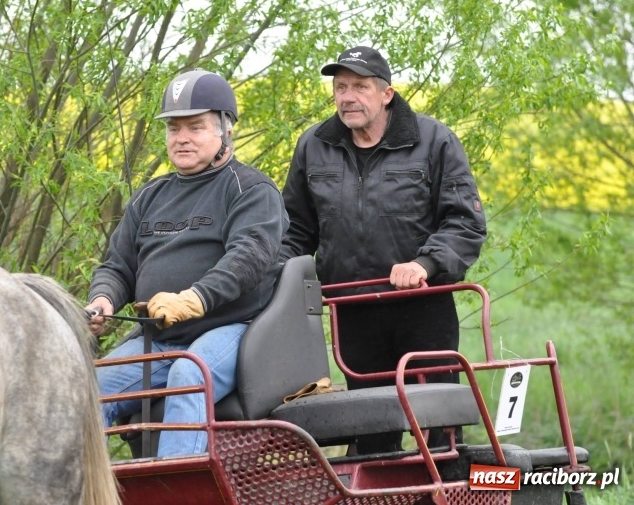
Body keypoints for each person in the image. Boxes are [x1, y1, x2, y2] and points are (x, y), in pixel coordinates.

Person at [280, 45, 487, 454]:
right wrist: (277, 283)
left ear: (386, 94)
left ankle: (446, 485)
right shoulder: (314, 146)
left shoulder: (434, 141)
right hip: (351, 310)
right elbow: (295, 231)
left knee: (439, 432)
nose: (348, 97)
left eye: (360, 87)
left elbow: (465, 223)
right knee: (370, 437)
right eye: (340, 87)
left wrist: (425, 264)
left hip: (423, 308)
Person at [87, 69, 288, 458]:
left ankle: (180, 484)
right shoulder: (150, 195)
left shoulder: (251, 189)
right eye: (173, 128)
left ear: (225, 130)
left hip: (234, 329)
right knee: (86, 387)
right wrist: (104, 300)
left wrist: (194, 298)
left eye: (195, 127)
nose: (181, 138)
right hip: (159, 337)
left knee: (189, 373)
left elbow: (248, 258)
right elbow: (118, 266)